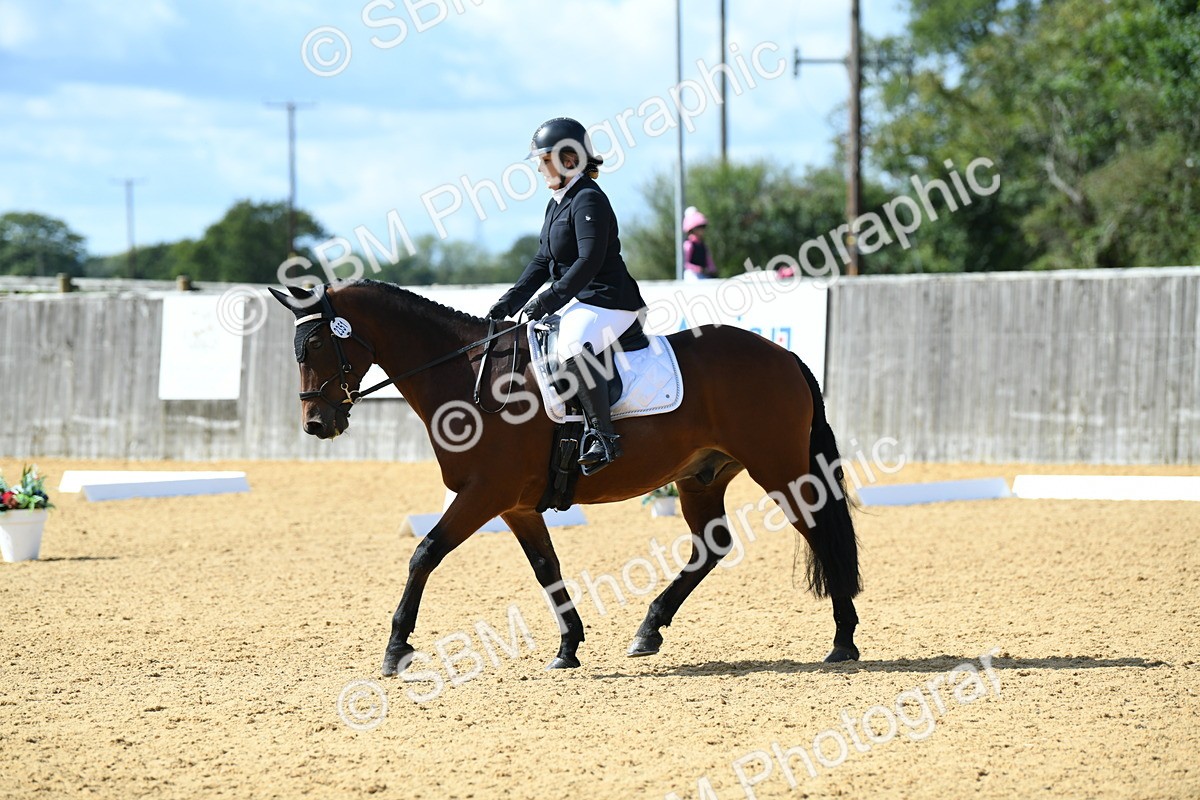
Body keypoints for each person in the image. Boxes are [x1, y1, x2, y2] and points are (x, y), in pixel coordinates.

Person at [487, 117, 646, 473]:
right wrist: (510, 301)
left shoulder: (588, 199)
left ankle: (603, 438)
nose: (541, 171)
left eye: (545, 162)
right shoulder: (558, 202)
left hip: (609, 300)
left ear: (569, 159)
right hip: (582, 300)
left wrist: (548, 300)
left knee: (571, 345)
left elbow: (589, 261)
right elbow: (544, 259)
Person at [682, 206, 718, 280]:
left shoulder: (703, 245)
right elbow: (685, 263)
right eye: (699, 228)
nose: (702, 230)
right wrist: (698, 269)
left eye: (703, 227)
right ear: (692, 229)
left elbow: (709, 261)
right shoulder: (688, 245)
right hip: (692, 276)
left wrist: (712, 271)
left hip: (703, 276)